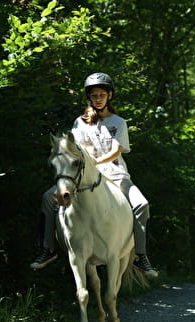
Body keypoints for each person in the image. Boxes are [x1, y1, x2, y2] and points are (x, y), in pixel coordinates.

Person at [30, 72, 158, 278]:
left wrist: (96, 162)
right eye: (94, 95)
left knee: (142, 204)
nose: (98, 98)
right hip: (83, 177)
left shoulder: (118, 122)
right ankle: (47, 250)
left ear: (109, 96)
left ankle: (140, 256)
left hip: (116, 175)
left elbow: (117, 150)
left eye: (101, 94)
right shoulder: (79, 123)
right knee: (47, 199)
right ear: (89, 98)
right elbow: (73, 150)